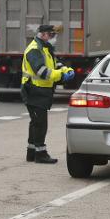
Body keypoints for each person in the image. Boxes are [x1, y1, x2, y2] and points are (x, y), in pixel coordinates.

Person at [21, 24, 74, 164]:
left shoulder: (45, 48)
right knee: (40, 123)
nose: (54, 38)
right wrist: (62, 76)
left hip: (40, 90)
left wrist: (66, 69)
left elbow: (54, 64)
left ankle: (31, 152)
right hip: (34, 90)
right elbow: (42, 72)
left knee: (36, 122)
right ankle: (41, 154)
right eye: (51, 35)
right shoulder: (34, 50)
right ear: (43, 35)